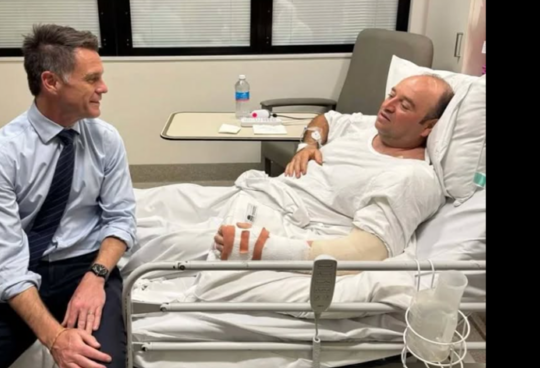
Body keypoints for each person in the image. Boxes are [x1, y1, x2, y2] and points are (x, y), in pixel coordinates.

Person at [0, 25, 136, 368]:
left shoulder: (105, 139)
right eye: (92, 79)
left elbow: (120, 219)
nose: (103, 87)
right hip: (23, 271)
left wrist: (96, 277)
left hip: (86, 267)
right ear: (51, 82)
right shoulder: (0, 155)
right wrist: (55, 337)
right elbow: (7, 264)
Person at [121, 75, 454, 276]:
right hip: (258, 194)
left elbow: (366, 251)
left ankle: (93, 267)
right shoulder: (368, 126)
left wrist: (264, 248)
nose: (388, 105)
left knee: (161, 241)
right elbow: (326, 119)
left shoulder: (411, 178)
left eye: (405, 105)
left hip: (279, 223)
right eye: (392, 94)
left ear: (429, 127)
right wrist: (309, 144)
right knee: (160, 198)